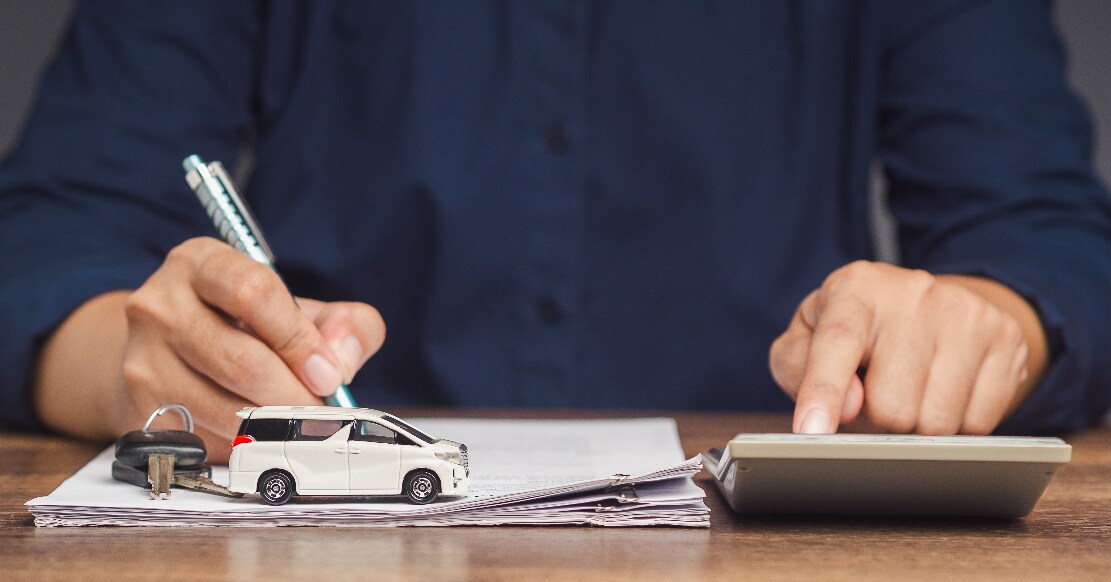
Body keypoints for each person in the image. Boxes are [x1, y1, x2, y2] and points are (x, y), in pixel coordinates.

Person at [1, 1, 1109, 460]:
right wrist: (139, 372)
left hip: (776, 561)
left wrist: (990, 325)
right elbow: (49, 236)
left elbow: (1047, 238)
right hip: (326, 549)